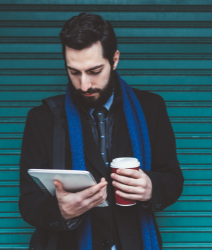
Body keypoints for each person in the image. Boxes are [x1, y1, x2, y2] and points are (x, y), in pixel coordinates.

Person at [17, 12, 185, 250]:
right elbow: (28, 202)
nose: (84, 85)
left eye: (94, 71)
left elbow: (173, 179)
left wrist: (151, 188)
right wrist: (61, 210)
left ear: (114, 60)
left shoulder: (151, 108)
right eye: (74, 72)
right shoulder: (42, 118)